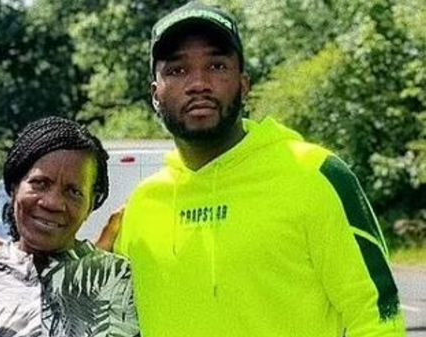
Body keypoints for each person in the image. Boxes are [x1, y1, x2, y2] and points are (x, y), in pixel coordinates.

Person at [98, 2, 407, 337]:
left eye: (217, 65)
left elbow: (377, 317)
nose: (199, 83)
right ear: (155, 94)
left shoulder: (316, 174)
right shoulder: (143, 206)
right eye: (177, 70)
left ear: (244, 85)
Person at [0, 116, 139, 337]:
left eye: (73, 191)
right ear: (14, 187)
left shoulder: (123, 279)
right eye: (39, 183)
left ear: (91, 204)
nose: (52, 203)